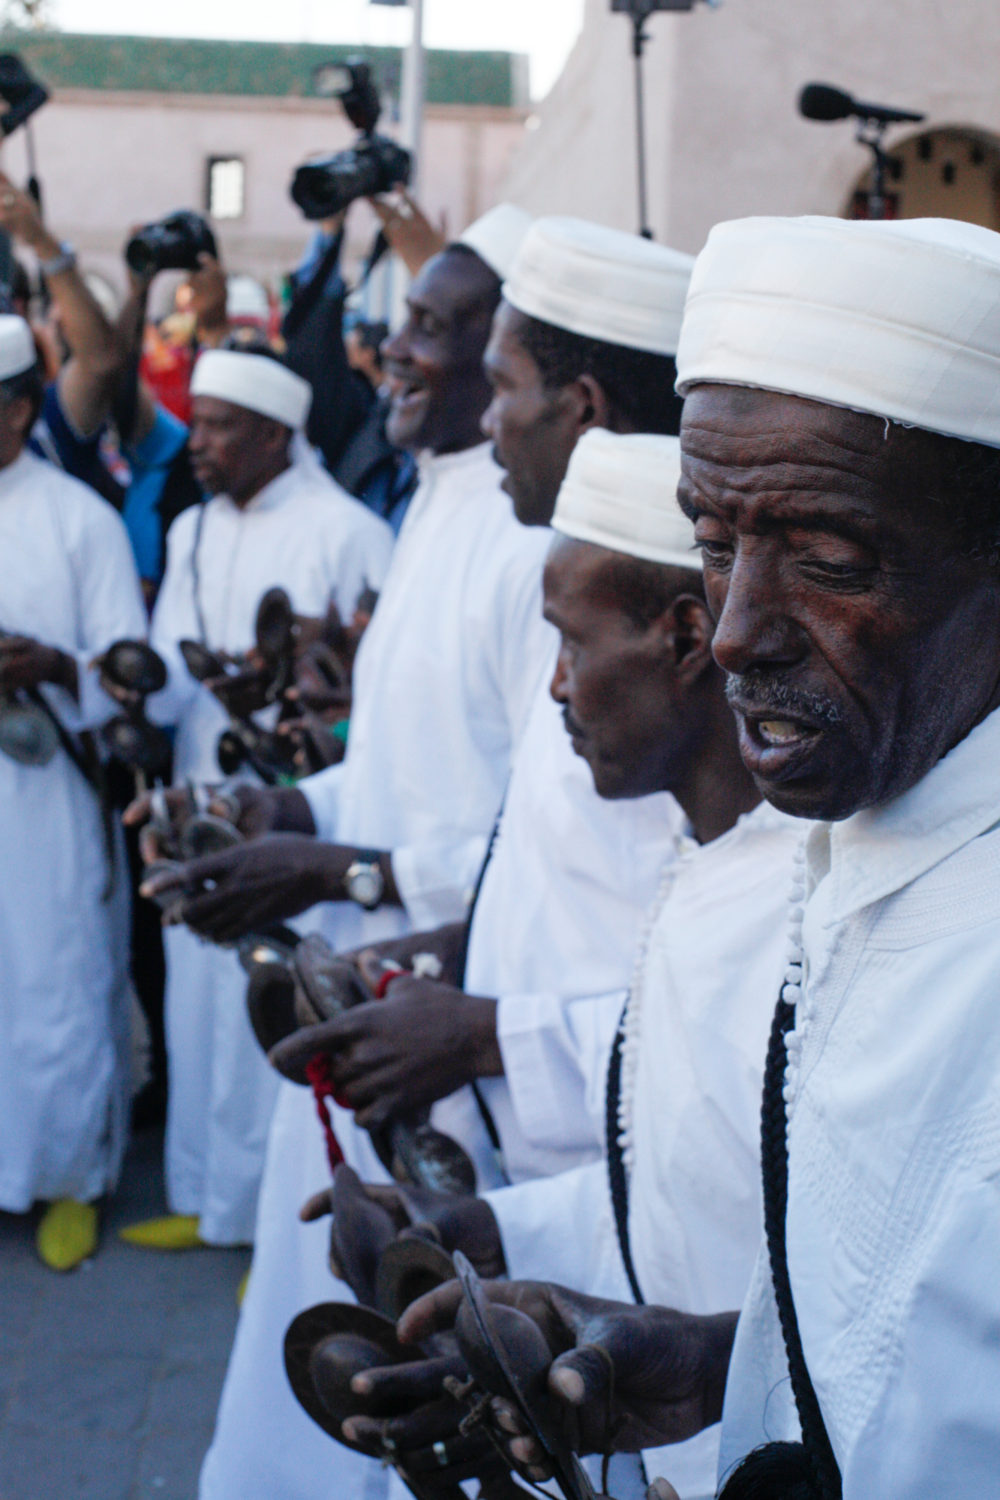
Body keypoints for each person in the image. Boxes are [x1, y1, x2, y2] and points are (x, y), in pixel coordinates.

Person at [392, 214, 1000, 1500]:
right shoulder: (858, 847)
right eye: (716, 548)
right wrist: (729, 1371)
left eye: (825, 560)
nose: (729, 637)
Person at [318, 428, 799, 1500]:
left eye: (570, 645)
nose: (550, 690)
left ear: (685, 641)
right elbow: (667, 1191)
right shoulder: (703, 869)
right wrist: (477, 1232)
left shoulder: (802, 912)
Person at [161, 211, 556, 1500]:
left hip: (446, 1054)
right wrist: (292, 814)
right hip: (347, 1016)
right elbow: (404, 770)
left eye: (440, 332)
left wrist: (334, 875)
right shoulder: (442, 504)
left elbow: (537, 854)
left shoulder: (538, 552)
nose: (392, 349)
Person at [268, 217, 698, 1204]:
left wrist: (476, 1033)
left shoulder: (680, 657)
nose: (489, 425)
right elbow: (541, 871)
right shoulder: (508, 528)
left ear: (583, 410)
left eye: (504, 388)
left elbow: (718, 1003)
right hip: (511, 1157)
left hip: (619, 1195)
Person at [123, 346, 393, 1253]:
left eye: (218, 427)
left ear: (277, 435)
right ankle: (209, 1204)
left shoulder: (346, 530)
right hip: (205, 797)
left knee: (269, 1014)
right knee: (197, 1010)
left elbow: (372, 696)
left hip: (300, 811)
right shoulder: (195, 529)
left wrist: (283, 702)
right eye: (195, 424)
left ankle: (279, 1233)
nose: (196, 444)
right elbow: (164, 686)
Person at [0, 312, 147, 1271]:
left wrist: (54, 663)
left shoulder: (76, 520)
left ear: (17, 412)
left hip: (46, 798)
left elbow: (132, 675)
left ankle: (66, 1180)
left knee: (54, 983)